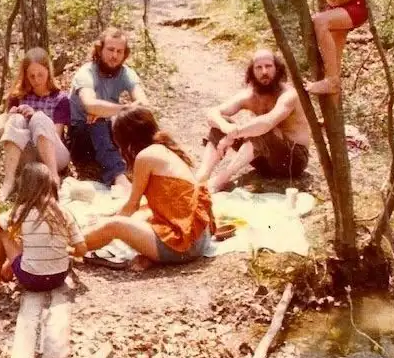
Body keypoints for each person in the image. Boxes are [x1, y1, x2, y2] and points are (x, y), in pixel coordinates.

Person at [82, 106, 216, 267]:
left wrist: (104, 225)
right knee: (139, 216)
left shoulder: (145, 157)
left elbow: (131, 206)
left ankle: (70, 245)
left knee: (114, 225)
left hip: (184, 245)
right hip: (199, 238)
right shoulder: (164, 149)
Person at [196, 49, 311, 193]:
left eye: (268, 66)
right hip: (264, 163)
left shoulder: (289, 95)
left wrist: (234, 133)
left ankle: (221, 180)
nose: (264, 72)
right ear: (252, 72)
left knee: (261, 129)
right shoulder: (250, 95)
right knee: (221, 123)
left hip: (292, 162)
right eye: (259, 67)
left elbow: (267, 122)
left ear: (277, 69)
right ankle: (202, 176)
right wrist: (225, 127)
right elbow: (212, 113)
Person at [0, 162, 86, 292]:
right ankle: (7, 271)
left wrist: (8, 216)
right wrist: (67, 251)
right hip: (59, 277)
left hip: (31, 280)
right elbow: (82, 249)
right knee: (29, 241)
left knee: (3, 232)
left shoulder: (22, 211)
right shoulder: (64, 213)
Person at [68, 27, 148, 189]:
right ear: (100, 50)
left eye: (119, 51)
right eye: (110, 50)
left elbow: (144, 105)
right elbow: (90, 105)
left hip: (108, 129)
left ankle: (154, 161)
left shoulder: (125, 73)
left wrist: (108, 112)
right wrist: (123, 110)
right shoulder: (86, 72)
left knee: (141, 120)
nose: (114, 56)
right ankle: (118, 176)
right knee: (97, 121)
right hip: (82, 135)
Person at [0, 47, 71, 202]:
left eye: (40, 74)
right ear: (25, 76)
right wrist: (10, 117)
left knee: (39, 117)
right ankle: (8, 182)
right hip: (27, 153)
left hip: (54, 155)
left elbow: (56, 134)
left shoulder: (60, 98)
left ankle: (53, 179)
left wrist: (33, 116)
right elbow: (3, 133)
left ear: (48, 72)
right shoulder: (18, 97)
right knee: (16, 119)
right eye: (31, 76)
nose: (36, 80)